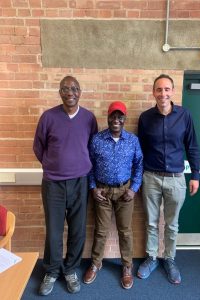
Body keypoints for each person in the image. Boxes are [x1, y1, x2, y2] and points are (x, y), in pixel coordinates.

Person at [33, 75, 98, 296]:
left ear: (80, 92)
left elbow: (91, 146)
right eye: (65, 89)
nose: (70, 92)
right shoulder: (48, 117)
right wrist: (53, 166)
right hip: (53, 184)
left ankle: (70, 270)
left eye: (74, 88)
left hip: (80, 182)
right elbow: (38, 147)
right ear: (59, 92)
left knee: (78, 231)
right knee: (54, 232)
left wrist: (78, 165)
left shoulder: (89, 118)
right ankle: (51, 271)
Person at [137, 74, 200, 284]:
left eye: (166, 89)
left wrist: (195, 176)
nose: (162, 93)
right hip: (151, 178)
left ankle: (169, 258)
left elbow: (192, 146)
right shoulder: (145, 118)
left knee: (172, 224)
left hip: (176, 179)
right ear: (153, 92)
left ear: (172, 91)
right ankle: (152, 257)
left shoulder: (185, 116)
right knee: (152, 223)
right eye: (158, 89)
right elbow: (141, 151)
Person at [83, 101, 143, 289]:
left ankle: (127, 266)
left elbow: (139, 165)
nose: (116, 120)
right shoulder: (97, 140)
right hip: (102, 193)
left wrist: (134, 188)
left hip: (125, 192)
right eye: (113, 116)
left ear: (124, 119)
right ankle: (95, 263)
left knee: (125, 232)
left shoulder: (132, 140)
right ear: (108, 117)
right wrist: (93, 187)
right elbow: (89, 165)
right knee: (100, 231)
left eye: (120, 116)